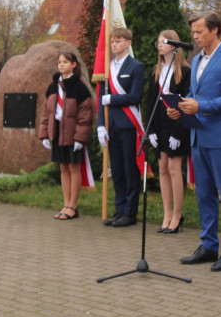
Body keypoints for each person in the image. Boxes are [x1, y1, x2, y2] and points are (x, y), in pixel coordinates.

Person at [168, 12, 221, 271]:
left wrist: (201, 105)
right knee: (204, 194)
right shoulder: (197, 59)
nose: (195, 36)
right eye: (193, 32)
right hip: (198, 136)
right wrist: (180, 108)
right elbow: (194, 93)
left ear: (215, 30)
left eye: (200, 31)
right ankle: (209, 245)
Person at [96, 28, 146, 227]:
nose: (114, 44)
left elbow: (135, 97)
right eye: (112, 41)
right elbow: (101, 100)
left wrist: (113, 99)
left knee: (129, 169)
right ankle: (119, 209)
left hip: (128, 124)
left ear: (128, 43)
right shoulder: (107, 68)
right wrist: (100, 125)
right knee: (116, 170)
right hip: (111, 124)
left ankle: (130, 212)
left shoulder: (136, 67)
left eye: (118, 41)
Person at [144, 31, 191, 234]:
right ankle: (167, 213)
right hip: (159, 125)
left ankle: (178, 215)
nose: (160, 45)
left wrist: (177, 133)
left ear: (174, 45)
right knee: (162, 168)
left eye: (164, 42)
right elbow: (150, 103)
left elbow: (185, 104)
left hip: (177, 126)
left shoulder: (185, 71)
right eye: (158, 42)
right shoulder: (156, 70)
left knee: (174, 168)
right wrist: (151, 130)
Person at [38, 50, 94, 220]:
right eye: (59, 62)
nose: (61, 65)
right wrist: (45, 134)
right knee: (63, 167)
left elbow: (85, 116)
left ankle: (73, 206)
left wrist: (79, 138)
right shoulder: (52, 87)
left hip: (72, 134)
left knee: (73, 167)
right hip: (57, 133)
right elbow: (46, 112)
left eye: (65, 62)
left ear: (74, 65)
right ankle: (65, 204)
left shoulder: (80, 88)